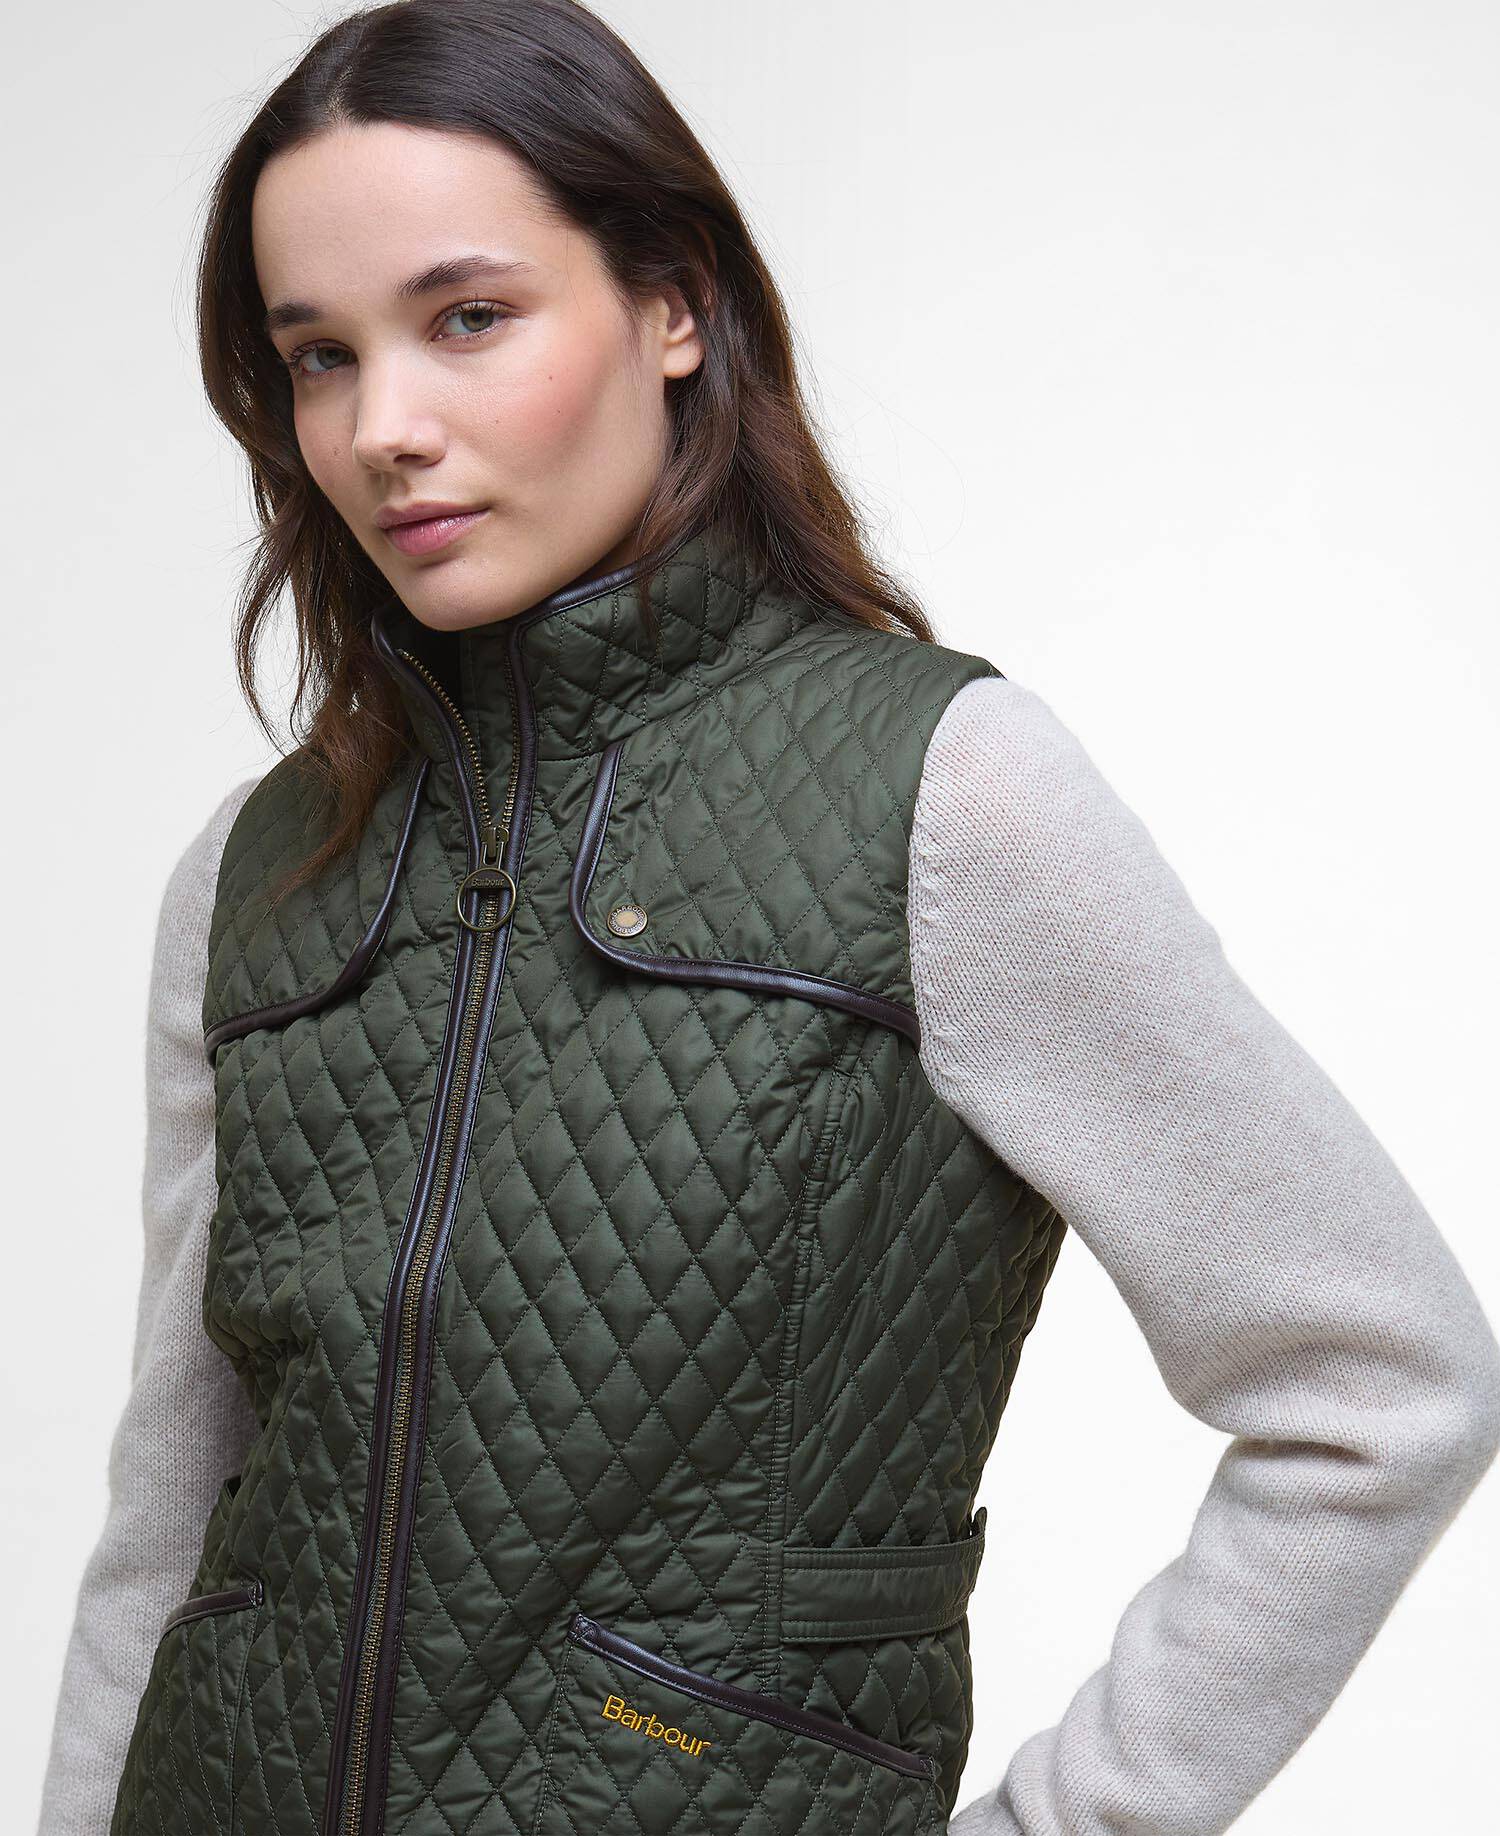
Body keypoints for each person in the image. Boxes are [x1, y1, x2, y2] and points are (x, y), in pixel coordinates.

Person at [35, 3, 1500, 1833]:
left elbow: (1378, 1388)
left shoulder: (941, 793)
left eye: (467, 318)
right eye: (319, 356)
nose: (383, 428)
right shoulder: (259, 870)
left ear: (674, 303)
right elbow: (171, 1528)